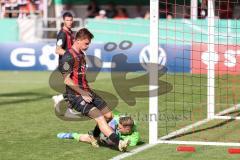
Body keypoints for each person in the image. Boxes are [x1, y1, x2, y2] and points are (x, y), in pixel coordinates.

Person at [58, 28, 129, 152]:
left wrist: (86, 91)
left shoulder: (81, 54)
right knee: (100, 118)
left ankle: (94, 136)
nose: (88, 46)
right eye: (86, 43)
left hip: (87, 91)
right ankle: (119, 143)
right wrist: (82, 93)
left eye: (89, 43)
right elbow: (66, 80)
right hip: (76, 95)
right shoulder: (68, 56)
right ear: (78, 40)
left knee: (108, 115)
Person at [57, 114, 140, 148]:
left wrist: (123, 142)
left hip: (112, 139)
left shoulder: (135, 136)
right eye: (118, 126)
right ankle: (72, 135)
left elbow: (129, 144)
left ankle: (93, 135)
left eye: (120, 128)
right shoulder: (117, 119)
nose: (118, 128)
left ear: (128, 129)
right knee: (87, 137)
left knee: (111, 141)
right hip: (105, 134)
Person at [52, 11, 74, 107]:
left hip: (70, 62)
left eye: (70, 20)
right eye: (67, 20)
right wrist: (70, 54)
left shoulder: (70, 32)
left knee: (72, 86)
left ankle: (60, 98)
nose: (69, 22)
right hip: (65, 63)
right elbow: (58, 50)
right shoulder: (62, 34)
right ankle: (68, 106)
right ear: (63, 21)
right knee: (72, 85)